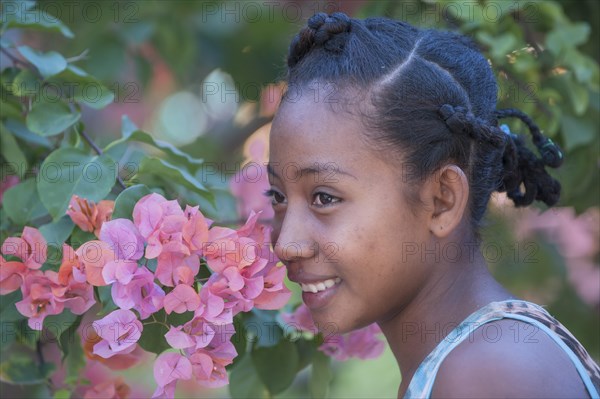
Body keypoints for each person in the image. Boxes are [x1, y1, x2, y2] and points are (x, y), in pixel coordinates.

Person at [265, 12, 600, 398]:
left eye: (325, 198)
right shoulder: (472, 360)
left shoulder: (489, 373)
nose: (285, 244)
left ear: (442, 200)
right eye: (277, 196)